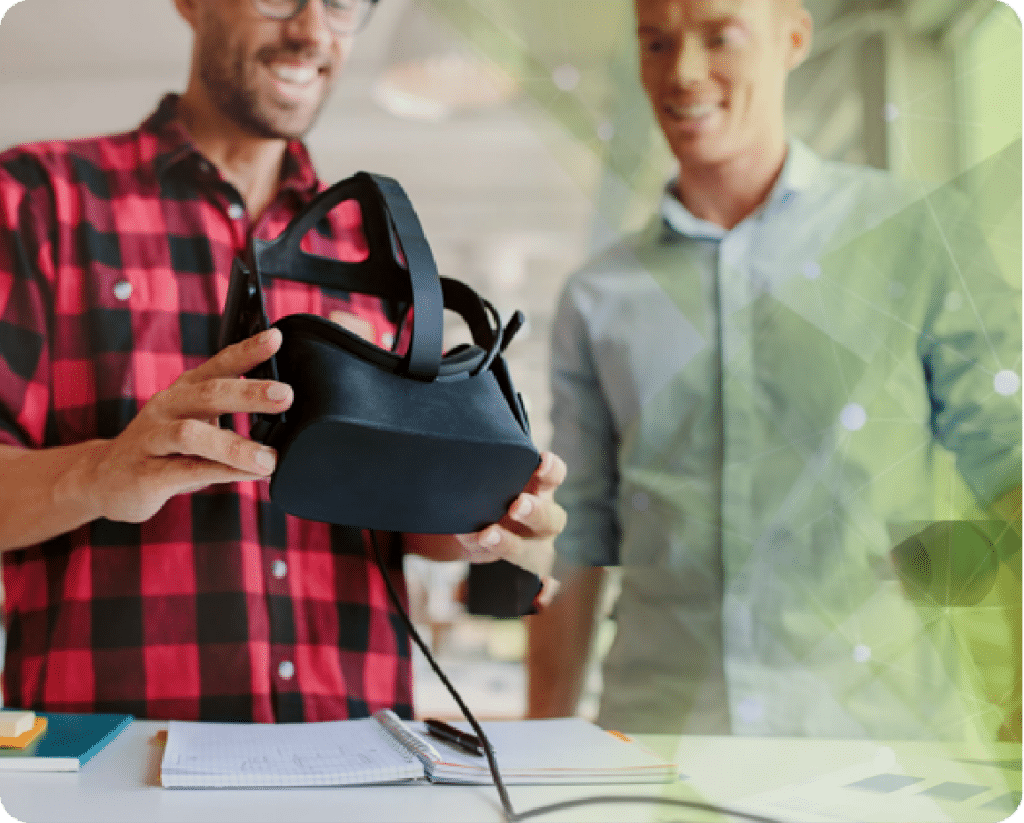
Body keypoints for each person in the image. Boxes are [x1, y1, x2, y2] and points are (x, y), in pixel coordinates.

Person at [0, 0, 566, 723]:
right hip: (115, 766)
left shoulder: (379, 254)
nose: (309, 30)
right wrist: (100, 472)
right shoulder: (34, 202)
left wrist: (476, 519)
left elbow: (397, 523)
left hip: (357, 753)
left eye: (339, 3)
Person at [526, 0, 1022, 743]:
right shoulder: (599, 296)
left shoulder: (917, 235)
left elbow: (1010, 466)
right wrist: (541, 750)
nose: (682, 71)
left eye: (720, 36)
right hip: (662, 749)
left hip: (886, 754)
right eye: (655, 42)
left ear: (794, 37)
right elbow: (576, 537)